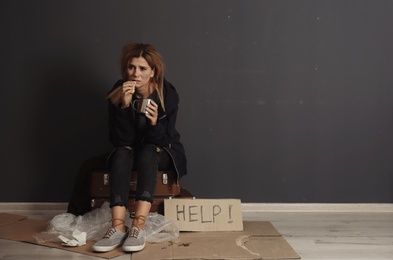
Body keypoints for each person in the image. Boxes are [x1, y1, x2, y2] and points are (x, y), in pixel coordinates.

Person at [92, 43, 187, 253]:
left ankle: (138, 226)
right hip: (130, 151)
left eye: (142, 69)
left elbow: (163, 140)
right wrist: (125, 107)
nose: (136, 74)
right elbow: (119, 141)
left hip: (161, 151)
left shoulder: (167, 94)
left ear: (153, 72)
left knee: (148, 151)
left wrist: (154, 123)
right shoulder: (119, 91)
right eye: (131, 67)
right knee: (121, 153)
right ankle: (117, 226)